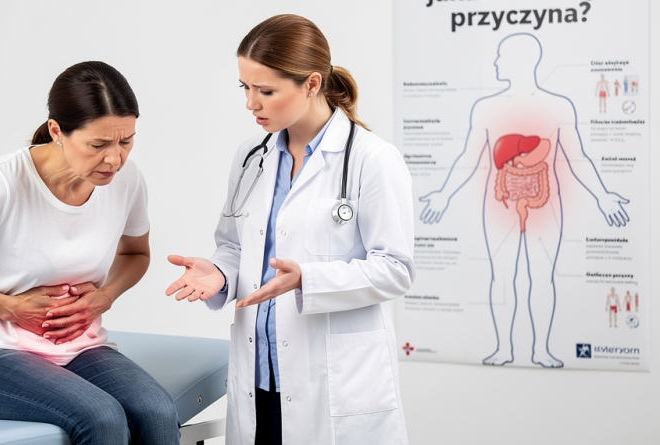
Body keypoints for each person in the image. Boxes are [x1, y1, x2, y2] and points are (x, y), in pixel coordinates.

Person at [0, 61, 179, 445]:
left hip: (79, 347)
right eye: (98, 145)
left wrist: (105, 296)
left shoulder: (126, 180)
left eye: (126, 141)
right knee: (102, 417)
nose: (115, 159)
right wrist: (10, 307)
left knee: (158, 412)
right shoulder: (1, 184)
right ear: (57, 131)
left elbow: (136, 254)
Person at [165, 14, 414, 445]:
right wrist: (219, 273)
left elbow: (395, 269)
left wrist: (308, 279)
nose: (251, 103)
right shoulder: (252, 157)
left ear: (312, 84)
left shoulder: (372, 159)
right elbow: (234, 246)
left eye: (265, 91)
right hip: (259, 378)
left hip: (332, 383)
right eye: (245, 87)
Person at [419, 34, 629, 368]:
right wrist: (444, 194)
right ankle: (504, 349)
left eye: (501, 56)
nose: (496, 62)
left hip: (545, 207)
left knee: (542, 278)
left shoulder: (558, 106)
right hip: (500, 206)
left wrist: (603, 196)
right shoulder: (486, 108)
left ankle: (541, 350)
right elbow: (470, 158)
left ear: (520, 61)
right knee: (501, 277)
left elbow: (577, 158)